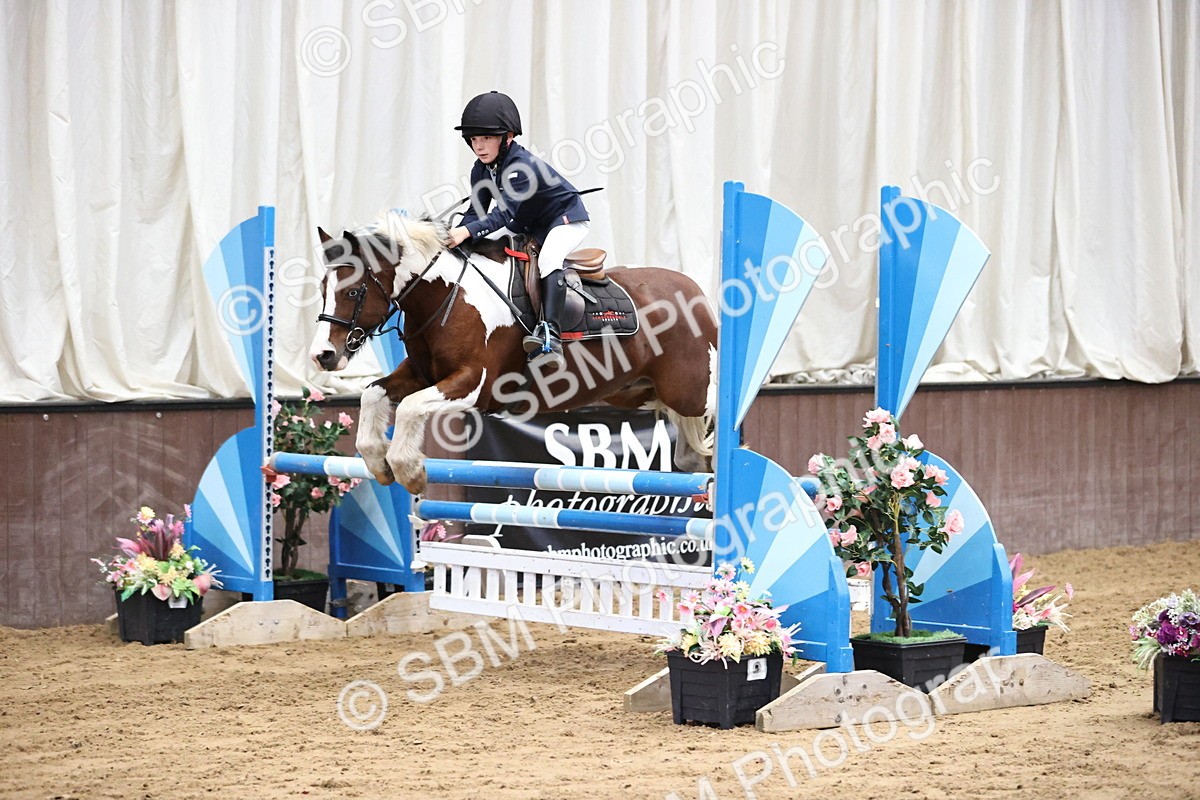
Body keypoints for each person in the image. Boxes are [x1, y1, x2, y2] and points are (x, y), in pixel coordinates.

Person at [444, 91, 589, 369]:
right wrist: (454, 235)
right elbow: (477, 213)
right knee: (481, 247)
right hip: (528, 223)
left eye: (486, 138)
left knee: (549, 260)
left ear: (507, 137)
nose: (479, 146)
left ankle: (550, 334)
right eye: (473, 139)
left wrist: (467, 232)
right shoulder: (480, 169)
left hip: (564, 219)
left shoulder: (522, 167)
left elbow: (502, 215)